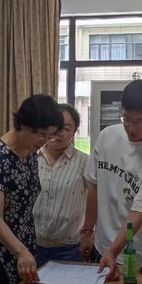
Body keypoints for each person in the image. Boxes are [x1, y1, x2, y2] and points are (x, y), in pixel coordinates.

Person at [81, 79, 142, 281]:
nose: (131, 127)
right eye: (127, 118)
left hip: (138, 255)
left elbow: (138, 212)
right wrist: (87, 231)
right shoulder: (107, 136)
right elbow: (93, 186)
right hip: (102, 246)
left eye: (140, 121)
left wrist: (113, 252)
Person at [0, 94, 64, 284]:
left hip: (23, 249)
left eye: (49, 135)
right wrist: (20, 251)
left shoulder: (29, 153)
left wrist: (24, 251)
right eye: (41, 134)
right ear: (23, 125)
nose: (44, 141)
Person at [33, 103, 88, 268]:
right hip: (32, 246)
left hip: (69, 249)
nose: (58, 132)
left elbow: (96, 201)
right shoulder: (31, 158)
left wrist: (89, 234)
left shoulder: (85, 162)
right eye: (54, 126)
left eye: (66, 128)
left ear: (74, 132)